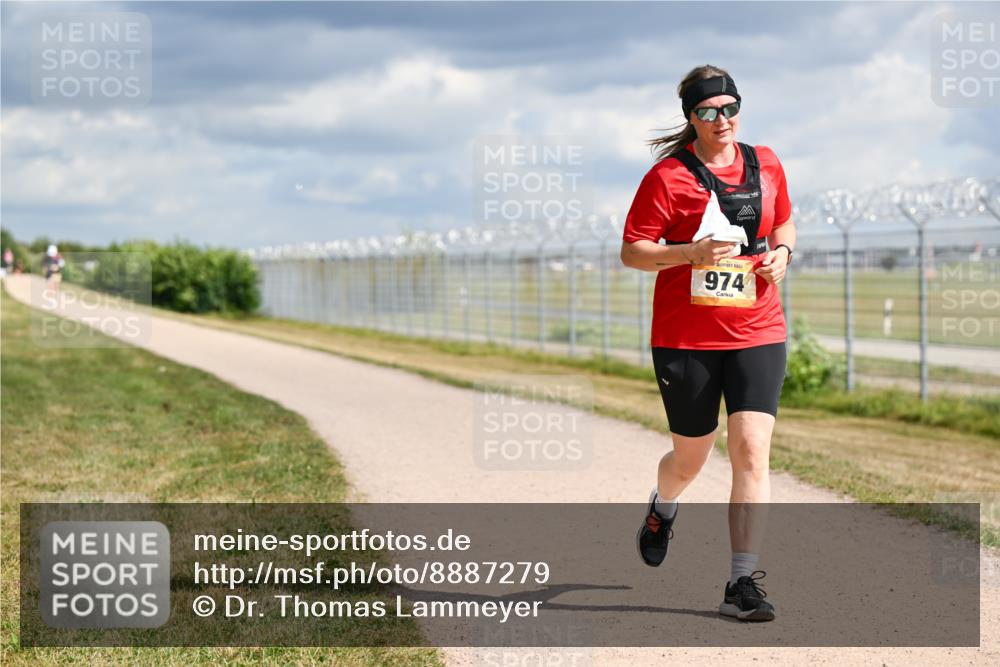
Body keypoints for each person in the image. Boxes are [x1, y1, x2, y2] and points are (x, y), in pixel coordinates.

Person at [620, 65, 796, 622]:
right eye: (707, 111)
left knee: (750, 449)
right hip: (686, 337)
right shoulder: (667, 178)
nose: (721, 120)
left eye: (729, 108)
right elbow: (633, 251)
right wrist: (687, 254)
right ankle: (662, 506)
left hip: (758, 328)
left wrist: (783, 256)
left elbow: (785, 223)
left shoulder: (766, 162)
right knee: (689, 459)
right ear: (690, 118)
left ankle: (740, 583)